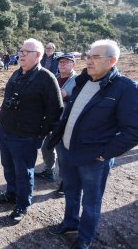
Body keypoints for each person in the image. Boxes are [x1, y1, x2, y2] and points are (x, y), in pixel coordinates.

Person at [48, 40, 138, 249]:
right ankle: (70, 223)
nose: (89, 60)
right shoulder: (83, 80)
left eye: (96, 57)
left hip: (94, 159)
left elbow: (132, 132)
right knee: (70, 192)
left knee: (90, 202)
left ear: (112, 60)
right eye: (88, 56)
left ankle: (84, 238)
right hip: (68, 150)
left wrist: (104, 154)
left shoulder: (126, 88)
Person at [0, 38, 63, 222]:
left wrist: (40, 132)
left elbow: (55, 110)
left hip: (26, 137)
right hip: (6, 132)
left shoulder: (46, 78)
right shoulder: (16, 73)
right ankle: (11, 194)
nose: (21, 54)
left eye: (26, 52)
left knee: (24, 172)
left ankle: (22, 204)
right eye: (21, 51)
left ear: (38, 56)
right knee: (8, 166)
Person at [35, 53, 77, 196]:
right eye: (60, 62)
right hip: (50, 120)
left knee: (62, 153)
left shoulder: (77, 81)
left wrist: (67, 96)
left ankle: (65, 183)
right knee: (47, 147)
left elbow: (80, 103)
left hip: (64, 122)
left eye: (66, 62)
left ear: (73, 64)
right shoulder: (55, 77)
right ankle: (49, 171)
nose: (62, 64)